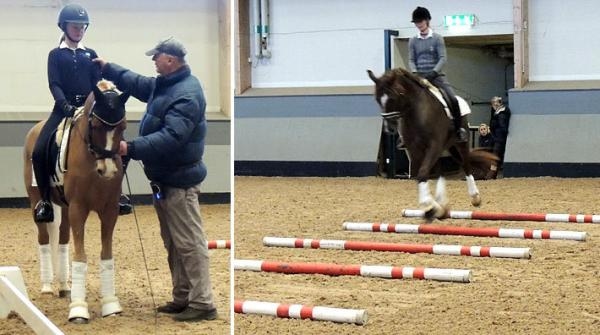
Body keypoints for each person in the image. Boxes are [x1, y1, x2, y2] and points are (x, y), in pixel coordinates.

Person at [93, 37, 217, 322]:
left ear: (170, 60)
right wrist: (109, 68)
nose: (153, 61)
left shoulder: (186, 94)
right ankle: (182, 296)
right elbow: (138, 83)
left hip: (179, 181)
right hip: (164, 179)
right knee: (173, 241)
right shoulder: (167, 85)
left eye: (156, 57)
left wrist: (131, 148)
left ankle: (203, 302)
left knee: (189, 241)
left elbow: (173, 137)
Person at [31, 3, 132, 223]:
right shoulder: (55, 55)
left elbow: (96, 84)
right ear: (64, 27)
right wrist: (64, 104)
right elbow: (54, 83)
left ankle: (118, 193)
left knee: (123, 145)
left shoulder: (90, 54)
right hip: (63, 109)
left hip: (89, 111)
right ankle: (45, 201)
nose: (79, 30)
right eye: (75, 26)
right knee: (39, 150)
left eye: (82, 26)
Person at [408, 6, 468, 143]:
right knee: (405, 99)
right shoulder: (413, 41)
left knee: (452, 99)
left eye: (420, 22)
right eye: (416, 23)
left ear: (427, 21)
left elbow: (443, 58)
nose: (418, 25)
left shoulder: (437, 39)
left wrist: (434, 72)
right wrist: (415, 73)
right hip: (419, 76)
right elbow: (411, 59)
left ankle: (459, 129)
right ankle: (405, 135)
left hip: (436, 76)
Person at [489, 96, 511, 165]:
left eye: (495, 104)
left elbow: (502, 125)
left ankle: (493, 171)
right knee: (498, 153)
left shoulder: (500, 113)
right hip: (499, 136)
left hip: (499, 136)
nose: (494, 106)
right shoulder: (500, 112)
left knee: (496, 153)